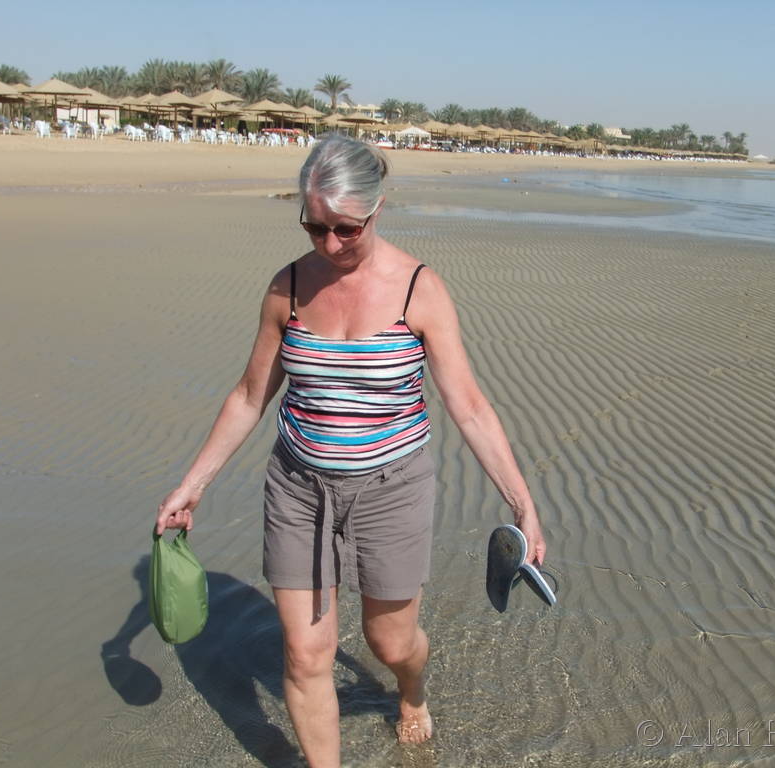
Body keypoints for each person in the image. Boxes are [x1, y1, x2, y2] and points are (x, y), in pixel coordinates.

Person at [155, 133, 545, 766]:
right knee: (306, 654)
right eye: (315, 227)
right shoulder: (287, 287)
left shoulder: (420, 290)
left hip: (392, 487)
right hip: (298, 488)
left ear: (378, 210)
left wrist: (522, 506)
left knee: (391, 643)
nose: (331, 244)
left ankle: (411, 691)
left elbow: (470, 407)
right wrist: (191, 485)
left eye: (346, 229)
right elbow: (251, 396)